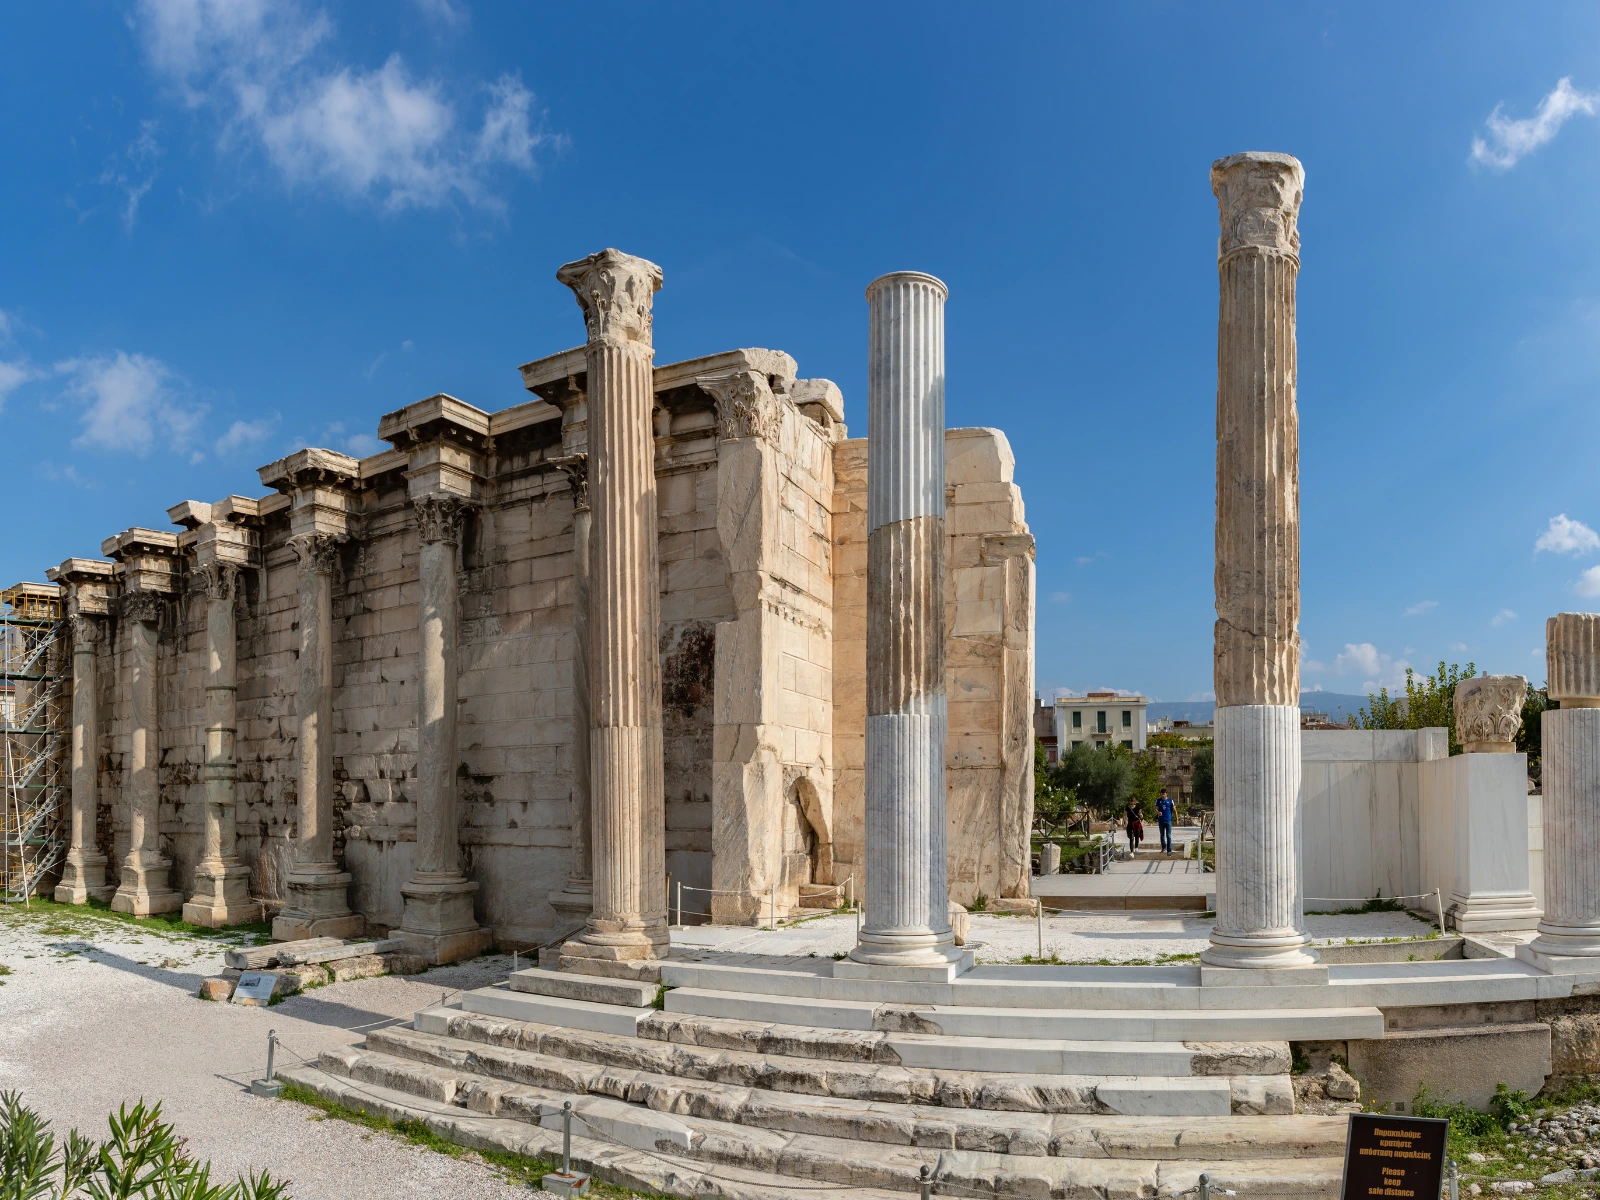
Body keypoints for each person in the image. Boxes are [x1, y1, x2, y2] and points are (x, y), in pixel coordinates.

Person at [1156, 788, 1176, 855]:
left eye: (1164, 794)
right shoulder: (1158, 800)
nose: (1163, 795)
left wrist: (1177, 818)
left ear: (1166, 794)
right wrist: (1158, 812)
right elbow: (1155, 809)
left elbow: (1174, 810)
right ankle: (1163, 847)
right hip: (1161, 820)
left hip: (1168, 820)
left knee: (1168, 835)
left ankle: (1169, 850)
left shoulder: (1170, 800)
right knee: (1162, 835)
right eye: (1162, 794)